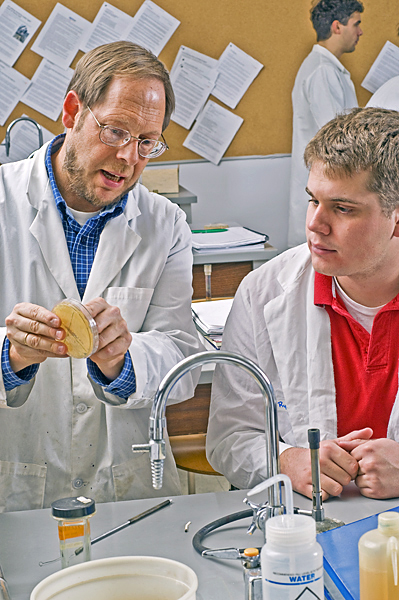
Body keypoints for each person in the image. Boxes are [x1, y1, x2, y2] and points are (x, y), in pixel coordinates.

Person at [0, 41, 203, 512]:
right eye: (115, 131)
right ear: (72, 111)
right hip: (17, 483)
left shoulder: (165, 224)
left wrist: (122, 360)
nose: (128, 158)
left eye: (147, 142)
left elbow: (181, 353)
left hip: (126, 489)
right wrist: (11, 355)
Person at [207, 107, 399, 502]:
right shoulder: (264, 292)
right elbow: (230, 436)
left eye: (343, 208)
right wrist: (284, 460)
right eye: (314, 200)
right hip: (308, 531)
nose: (315, 224)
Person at [288, 0, 363, 248]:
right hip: (326, 187)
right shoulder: (323, 71)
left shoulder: (325, 68)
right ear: (337, 26)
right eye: (356, 24)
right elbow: (338, 141)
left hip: (327, 188)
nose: (360, 32)